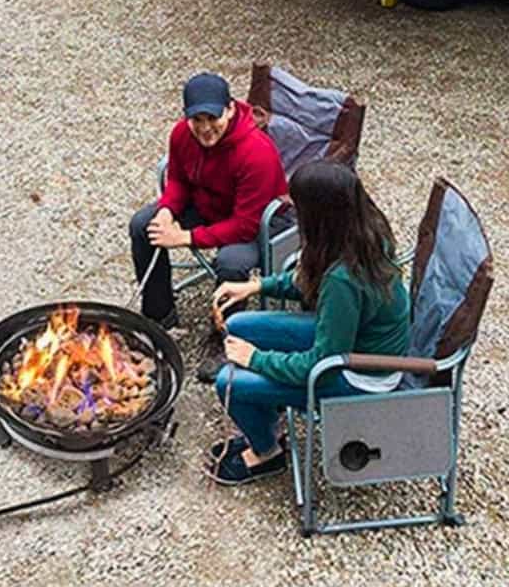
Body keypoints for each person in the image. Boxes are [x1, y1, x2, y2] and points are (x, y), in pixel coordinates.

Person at [204, 159, 410, 486]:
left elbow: (322, 364)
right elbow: (309, 278)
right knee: (241, 324)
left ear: (320, 215)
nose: (294, 214)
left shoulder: (345, 278)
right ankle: (266, 417)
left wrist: (256, 359)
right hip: (351, 340)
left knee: (227, 382)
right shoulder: (361, 230)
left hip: (359, 373)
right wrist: (258, 285)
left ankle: (266, 453)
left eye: (299, 207)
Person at [129, 72, 288, 383]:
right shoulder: (181, 135)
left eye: (211, 118)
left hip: (257, 225)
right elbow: (177, 180)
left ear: (229, 109)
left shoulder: (256, 152)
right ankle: (159, 317)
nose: (204, 128)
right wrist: (166, 211)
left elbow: (244, 226)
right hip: (208, 208)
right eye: (196, 119)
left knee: (230, 261)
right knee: (142, 225)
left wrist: (186, 237)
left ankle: (226, 338)